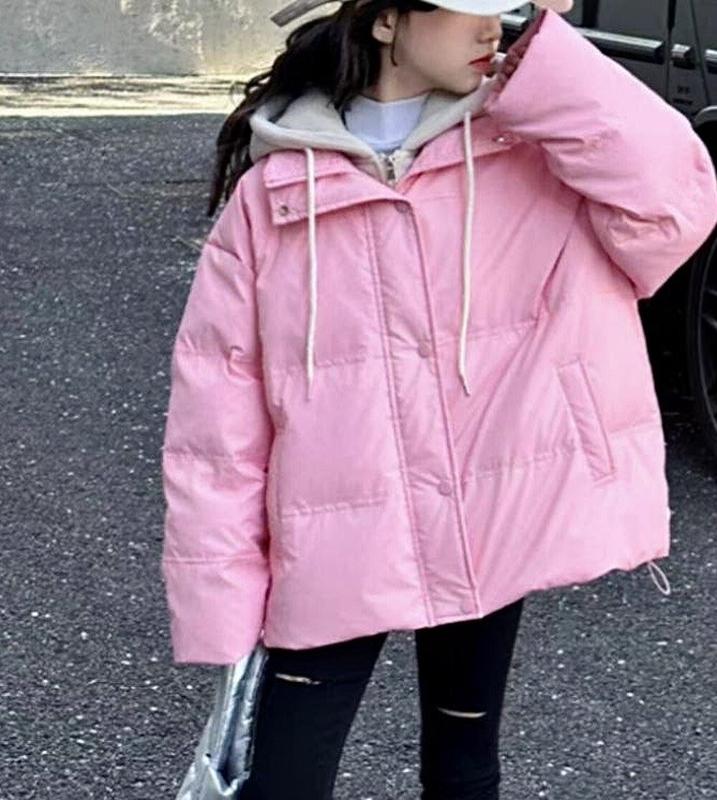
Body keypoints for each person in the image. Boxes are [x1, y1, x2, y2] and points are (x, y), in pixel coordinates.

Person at [159, 1, 717, 798]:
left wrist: (550, 61)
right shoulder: (277, 192)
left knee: (464, 767)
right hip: (336, 535)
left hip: (489, 515)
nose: (493, 29)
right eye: (469, 10)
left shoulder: (531, 153)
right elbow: (217, 428)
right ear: (387, 21)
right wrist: (221, 599)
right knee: (280, 781)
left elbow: (673, 205)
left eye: (507, 11)